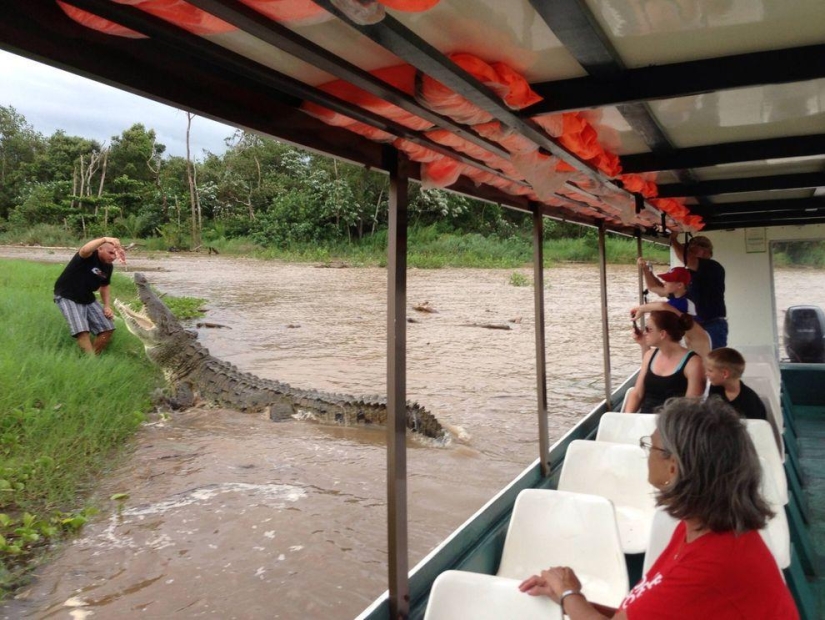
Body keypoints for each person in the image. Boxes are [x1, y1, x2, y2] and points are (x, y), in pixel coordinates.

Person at [518, 397, 799, 619]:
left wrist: (569, 593)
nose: (647, 455)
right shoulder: (697, 530)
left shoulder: (712, 564)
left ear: (673, 467)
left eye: (650, 447)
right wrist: (567, 598)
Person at [641, 234, 727, 348]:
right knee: (697, 357)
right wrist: (646, 270)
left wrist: (673, 239)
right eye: (689, 250)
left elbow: (687, 259)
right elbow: (657, 288)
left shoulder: (713, 267)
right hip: (692, 326)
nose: (689, 252)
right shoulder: (687, 275)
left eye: (692, 250)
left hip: (711, 324)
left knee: (713, 358)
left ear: (704, 251)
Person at [53, 236, 124, 355]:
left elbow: (105, 286)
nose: (113, 257)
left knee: (107, 328)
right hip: (67, 294)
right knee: (82, 331)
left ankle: (91, 358)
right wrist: (105, 239)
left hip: (87, 297)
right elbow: (84, 249)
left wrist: (107, 306)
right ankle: (91, 362)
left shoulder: (108, 266)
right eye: (110, 253)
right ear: (99, 249)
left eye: (115, 254)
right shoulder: (88, 256)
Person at [623, 311, 705, 413]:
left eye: (648, 329)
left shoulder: (693, 363)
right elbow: (637, 393)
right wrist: (627, 417)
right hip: (644, 419)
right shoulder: (649, 356)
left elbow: (691, 405)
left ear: (662, 334)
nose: (644, 333)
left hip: (673, 420)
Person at [705, 347, 768, 420]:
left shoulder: (750, 401)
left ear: (725, 374)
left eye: (710, 371)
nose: (706, 374)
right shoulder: (715, 389)